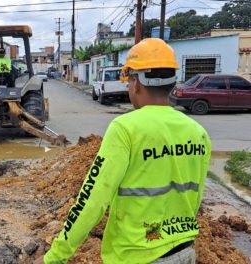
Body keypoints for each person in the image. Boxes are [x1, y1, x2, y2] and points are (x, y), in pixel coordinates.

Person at [37, 38, 211, 263]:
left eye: (129, 80)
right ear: (172, 82)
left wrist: (55, 257)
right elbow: (194, 198)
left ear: (136, 82)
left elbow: (91, 200)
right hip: (184, 251)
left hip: (136, 254)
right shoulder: (199, 133)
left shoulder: (125, 129)